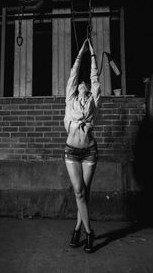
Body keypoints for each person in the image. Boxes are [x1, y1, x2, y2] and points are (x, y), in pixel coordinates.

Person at [64, 38, 101, 253]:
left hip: (89, 151)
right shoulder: (70, 99)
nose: (81, 83)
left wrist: (93, 55)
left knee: (83, 194)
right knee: (78, 192)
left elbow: (95, 78)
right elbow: (73, 74)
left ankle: (77, 230)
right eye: (79, 83)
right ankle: (89, 233)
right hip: (71, 151)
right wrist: (81, 53)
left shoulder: (94, 101)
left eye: (85, 83)